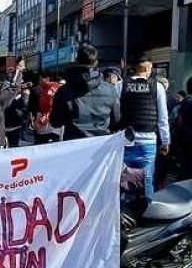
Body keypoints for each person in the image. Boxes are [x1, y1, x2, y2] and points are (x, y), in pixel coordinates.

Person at [119, 55, 170, 194]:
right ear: (148, 67)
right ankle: (148, 210)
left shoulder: (121, 85)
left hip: (125, 141)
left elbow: (116, 113)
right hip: (148, 142)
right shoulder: (157, 87)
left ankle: (121, 211)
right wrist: (165, 141)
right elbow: (163, 118)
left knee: (122, 179)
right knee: (147, 179)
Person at [50, 44, 121, 140]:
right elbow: (116, 120)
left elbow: (55, 122)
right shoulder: (110, 89)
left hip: (73, 144)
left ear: (76, 60)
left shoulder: (64, 91)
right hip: (101, 144)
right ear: (96, 62)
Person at [31, 74, 64, 145]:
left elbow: (49, 106)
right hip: (51, 125)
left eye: (41, 79)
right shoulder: (44, 90)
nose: (40, 81)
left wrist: (41, 119)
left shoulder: (50, 90)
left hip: (49, 125)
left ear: (47, 78)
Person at [5, 84, 32, 149]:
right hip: (15, 131)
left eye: (27, 94)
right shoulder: (15, 103)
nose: (25, 95)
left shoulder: (32, 104)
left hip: (26, 134)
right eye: (23, 93)